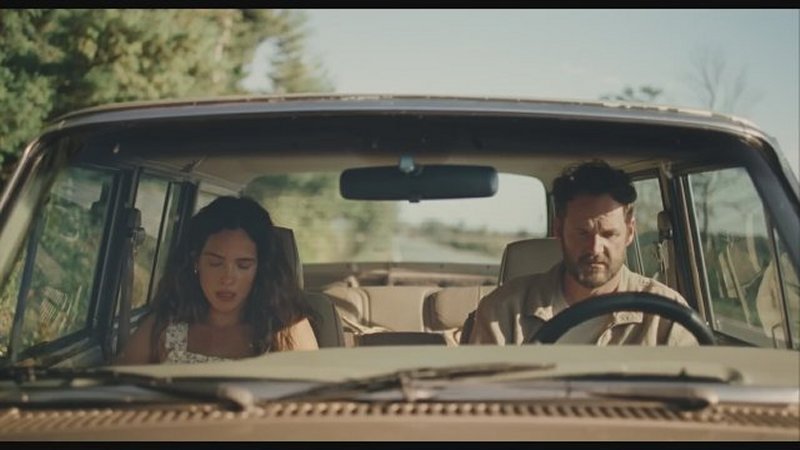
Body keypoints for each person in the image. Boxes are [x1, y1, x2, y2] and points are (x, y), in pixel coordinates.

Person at [468, 160, 697, 346]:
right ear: (559, 230)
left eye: (609, 234)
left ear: (629, 232)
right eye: (582, 233)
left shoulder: (666, 315)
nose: (595, 248)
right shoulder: (503, 311)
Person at [115, 196, 318, 365]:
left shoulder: (286, 329)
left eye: (243, 265)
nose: (227, 278)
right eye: (215, 263)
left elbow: (316, 397)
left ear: (260, 269)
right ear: (196, 262)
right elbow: (116, 387)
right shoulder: (165, 326)